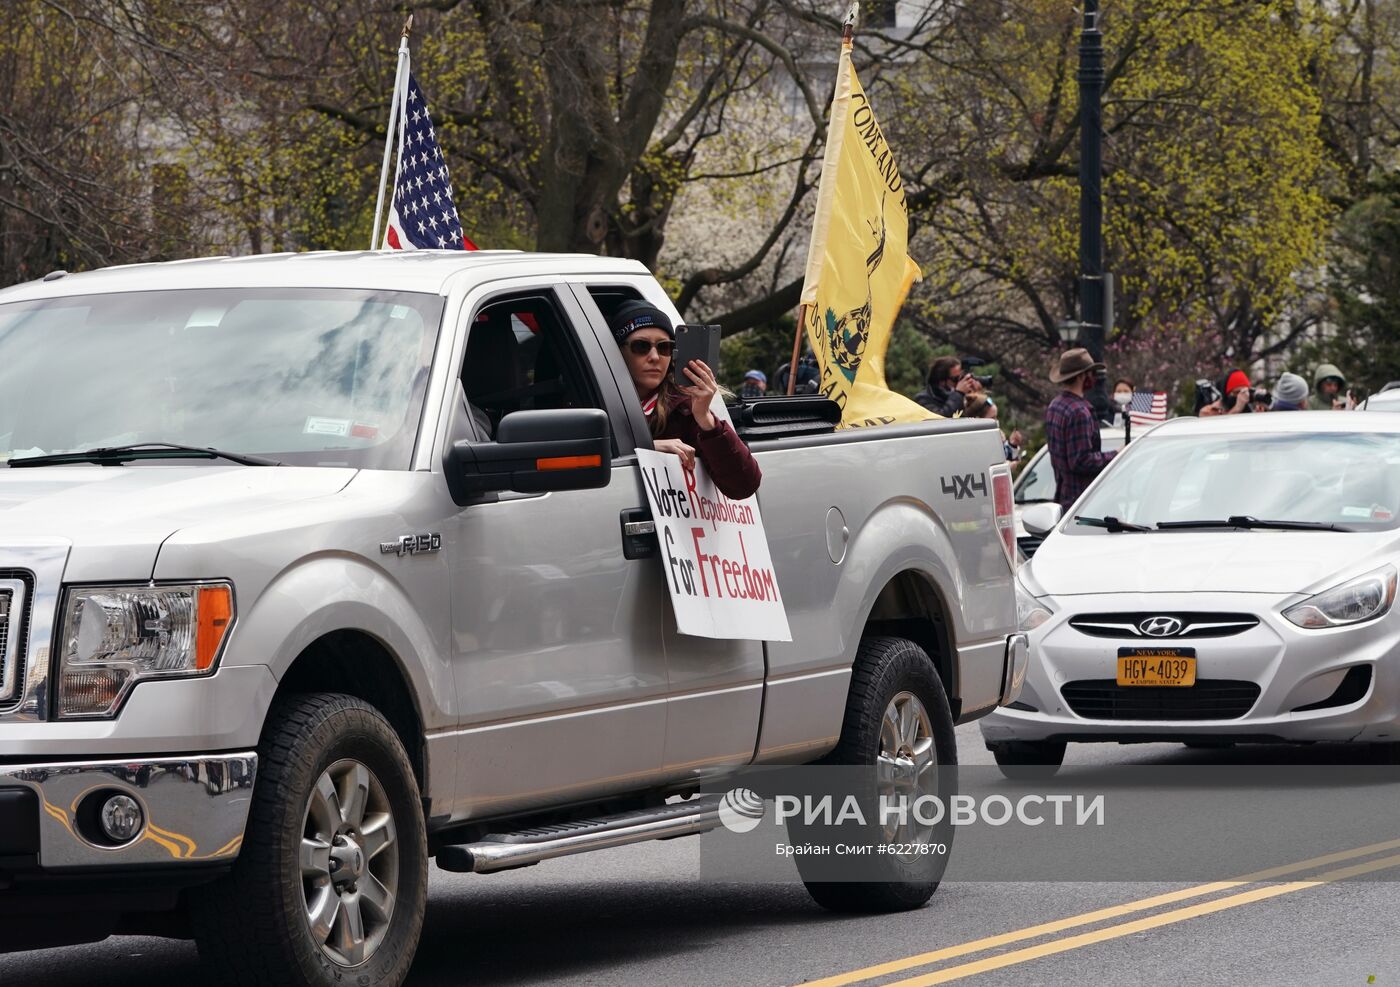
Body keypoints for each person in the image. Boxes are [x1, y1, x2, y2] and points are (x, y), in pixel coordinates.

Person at [609, 300, 761, 499]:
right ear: (618, 352)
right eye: (641, 346)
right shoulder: (591, 401)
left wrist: (706, 420)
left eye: (664, 348)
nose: (654, 357)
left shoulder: (685, 407)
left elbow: (744, 486)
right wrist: (649, 447)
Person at [1045, 348, 1118, 512]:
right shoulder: (1079, 412)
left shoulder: (1055, 406)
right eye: (1090, 373)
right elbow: (1080, 461)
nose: (1093, 377)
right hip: (1082, 503)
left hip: (1064, 498)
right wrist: (1116, 455)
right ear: (1081, 376)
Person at [961, 394, 1024, 467]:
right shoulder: (971, 445)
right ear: (978, 420)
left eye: (996, 417)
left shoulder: (994, 437)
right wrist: (1005, 467)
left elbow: (1006, 456)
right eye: (992, 418)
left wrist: (1012, 445)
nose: (996, 421)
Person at [915, 356, 981, 417]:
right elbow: (940, 418)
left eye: (962, 377)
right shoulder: (923, 399)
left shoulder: (962, 396)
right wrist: (959, 393)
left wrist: (977, 395)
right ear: (941, 381)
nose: (960, 382)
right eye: (956, 379)